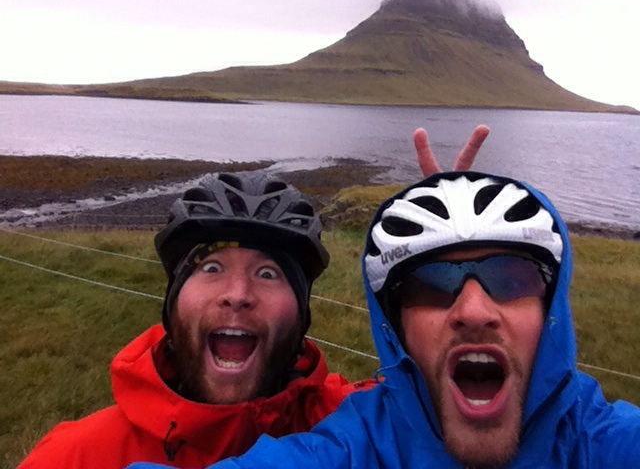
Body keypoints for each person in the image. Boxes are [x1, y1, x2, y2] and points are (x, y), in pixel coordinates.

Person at [19, 126, 488, 468]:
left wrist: (452, 246)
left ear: (302, 312)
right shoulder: (74, 457)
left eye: (268, 273)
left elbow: (468, 416)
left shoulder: (358, 426)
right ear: (173, 299)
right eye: (211, 268)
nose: (237, 295)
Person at [133, 169, 640, 469]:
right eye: (432, 284)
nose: (473, 311)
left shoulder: (608, 443)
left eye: (510, 279)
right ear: (396, 329)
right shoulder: (354, 446)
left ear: (551, 312)